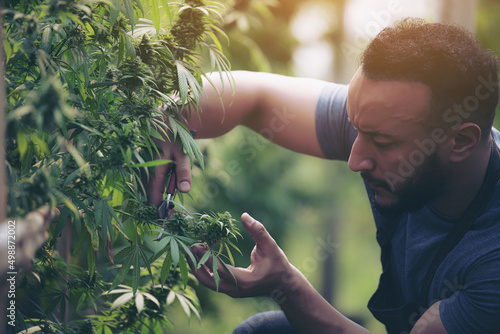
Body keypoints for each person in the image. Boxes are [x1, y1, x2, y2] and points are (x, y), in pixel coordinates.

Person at [146, 18, 500, 333]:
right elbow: (253, 97)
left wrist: (287, 284)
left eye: (382, 141)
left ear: (460, 141)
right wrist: (171, 119)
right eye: (357, 129)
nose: (355, 158)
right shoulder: (390, 120)